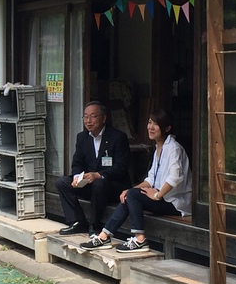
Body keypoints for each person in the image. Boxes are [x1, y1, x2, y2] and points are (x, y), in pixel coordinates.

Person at [79, 108, 192, 252]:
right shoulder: (159, 147)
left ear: (167, 128)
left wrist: (157, 195)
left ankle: (140, 239)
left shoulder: (173, 148)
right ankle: (104, 236)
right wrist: (132, 189)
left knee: (132, 196)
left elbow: (175, 177)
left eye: (156, 124)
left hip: (175, 202)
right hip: (162, 197)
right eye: (150, 122)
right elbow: (151, 178)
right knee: (129, 194)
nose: (150, 127)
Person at [56, 101, 131, 236]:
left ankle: (95, 225)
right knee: (62, 182)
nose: (88, 121)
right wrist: (77, 177)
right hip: (89, 184)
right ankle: (78, 221)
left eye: (93, 116)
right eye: (85, 117)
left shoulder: (118, 137)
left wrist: (98, 175)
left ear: (104, 118)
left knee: (99, 183)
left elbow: (121, 167)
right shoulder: (82, 137)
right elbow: (77, 162)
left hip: (112, 185)